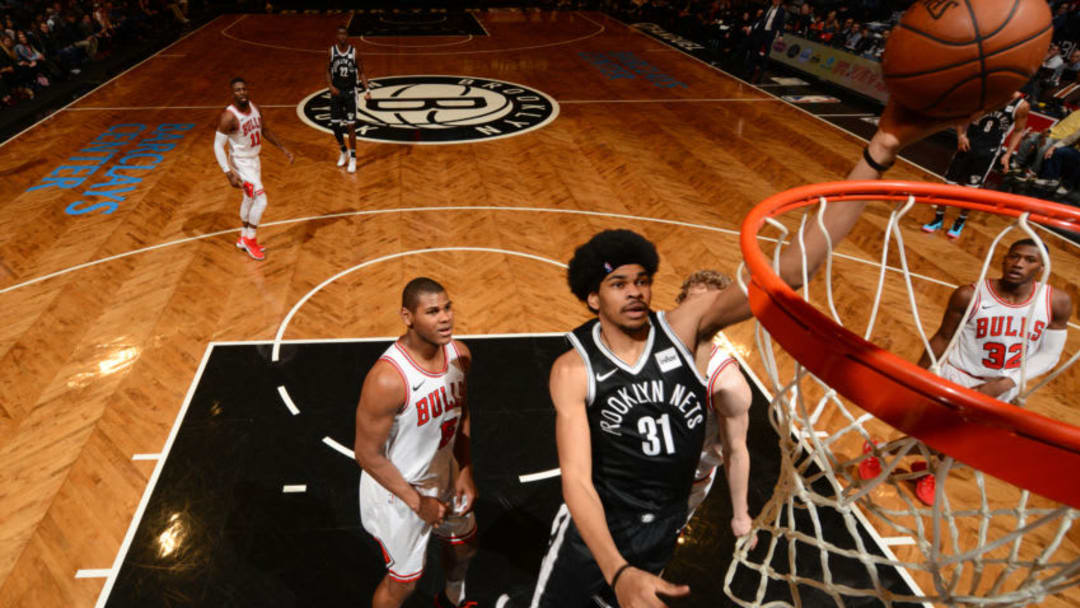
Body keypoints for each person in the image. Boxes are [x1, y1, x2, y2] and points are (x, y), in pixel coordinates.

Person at [522, 100, 953, 608]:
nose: (635, 292)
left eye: (642, 280)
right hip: (597, 522)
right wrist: (616, 570)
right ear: (593, 297)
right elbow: (575, 480)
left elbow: (787, 274)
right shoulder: (573, 367)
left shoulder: (682, 327)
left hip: (665, 520)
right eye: (619, 284)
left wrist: (876, 155)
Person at [353, 278, 478, 608]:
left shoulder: (459, 355)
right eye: (433, 311)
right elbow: (366, 454)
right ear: (408, 316)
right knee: (403, 583)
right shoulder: (387, 379)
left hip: (444, 474)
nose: (445, 318)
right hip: (399, 490)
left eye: (448, 307)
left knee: (464, 545)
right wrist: (417, 501)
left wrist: (465, 470)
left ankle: (450, 600)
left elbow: (462, 409)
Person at [674, 270, 753, 537]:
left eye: (707, 306)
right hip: (631, 465)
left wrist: (741, 515)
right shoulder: (645, 344)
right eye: (691, 302)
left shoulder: (727, 384)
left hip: (680, 486)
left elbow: (736, 450)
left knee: (652, 551)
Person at [923, 92, 1030, 239]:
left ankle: (960, 221)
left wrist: (1008, 154)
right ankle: (938, 219)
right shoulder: (986, 93)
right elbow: (963, 116)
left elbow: (1018, 130)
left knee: (972, 191)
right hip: (967, 145)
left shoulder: (1021, 105)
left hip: (988, 152)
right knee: (948, 185)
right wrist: (961, 135)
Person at [213, 76, 292, 261]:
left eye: (244, 89)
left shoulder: (255, 108)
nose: (242, 93)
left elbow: (265, 130)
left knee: (249, 198)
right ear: (232, 94)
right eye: (238, 90)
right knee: (261, 200)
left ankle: (243, 237)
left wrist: (283, 148)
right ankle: (251, 240)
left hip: (254, 161)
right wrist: (228, 173)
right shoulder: (229, 117)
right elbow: (217, 146)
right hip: (240, 163)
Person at [328, 24, 370, 174]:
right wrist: (330, 86)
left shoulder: (354, 53)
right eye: (340, 34)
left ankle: (353, 157)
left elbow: (362, 73)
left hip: (350, 93)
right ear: (337, 36)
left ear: (347, 36)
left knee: (351, 126)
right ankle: (343, 150)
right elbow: (327, 71)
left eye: (344, 34)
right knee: (334, 125)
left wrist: (367, 89)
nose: (342, 37)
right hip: (336, 93)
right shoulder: (332, 52)